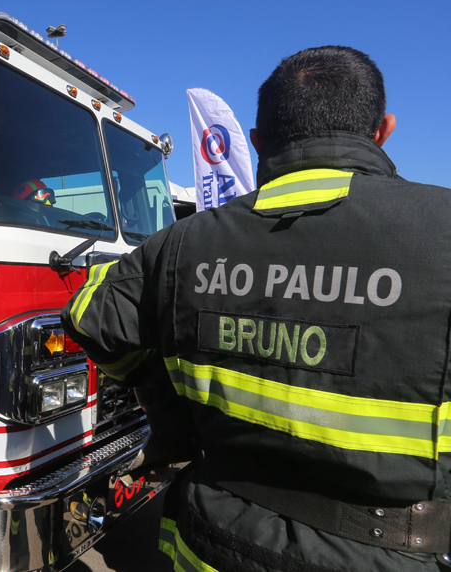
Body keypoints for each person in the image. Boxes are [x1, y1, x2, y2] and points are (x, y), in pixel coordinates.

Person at [61, 45, 451, 572]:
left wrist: (167, 409)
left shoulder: (181, 244)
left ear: (257, 142)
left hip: (212, 542)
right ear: (383, 130)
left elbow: (88, 314)